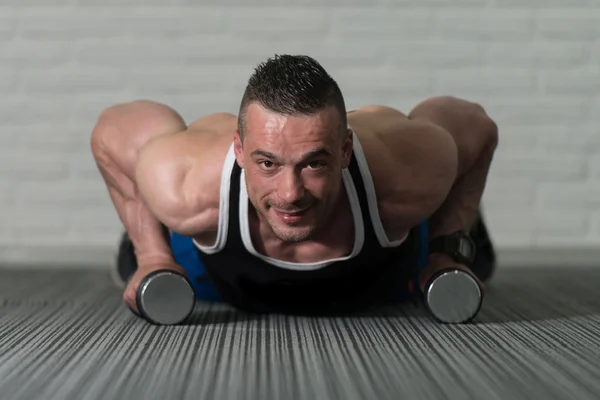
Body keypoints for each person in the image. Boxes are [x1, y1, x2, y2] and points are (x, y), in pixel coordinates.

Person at [91, 54, 498, 316]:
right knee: (164, 227)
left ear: (344, 151)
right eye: (267, 163)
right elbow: (112, 131)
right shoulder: (187, 186)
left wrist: (448, 246)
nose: (290, 192)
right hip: (209, 274)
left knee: (464, 247)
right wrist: (151, 255)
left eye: (314, 163)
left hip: (390, 272)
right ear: (239, 149)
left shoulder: (405, 174)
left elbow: (475, 125)